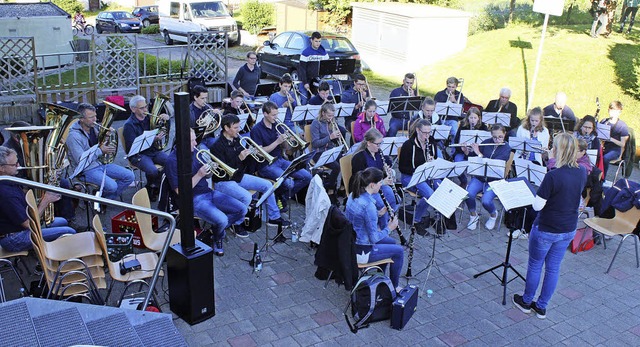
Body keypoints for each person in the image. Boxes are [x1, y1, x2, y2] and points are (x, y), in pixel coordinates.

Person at [513, 134, 587, 319]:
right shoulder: (582, 171)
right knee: (553, 268)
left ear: (558, 150)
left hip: (546, 228)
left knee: (535, 265)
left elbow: (538, 206)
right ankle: (542, 306)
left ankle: (527, 301)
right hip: (568, 228)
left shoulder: (553, 175)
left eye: (553, 147)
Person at [165, 129, 247, 256]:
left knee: (242, 209)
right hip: (192, 199)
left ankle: (215, 231)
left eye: (195, 139)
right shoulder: (172, 161)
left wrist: (210, 170)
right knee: (223, 219)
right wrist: (199, 174)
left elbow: (207, 177)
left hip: (208, 192)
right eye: (192, 140)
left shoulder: (195, 152)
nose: (196, 143)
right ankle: (217, 237)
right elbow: (180, 192)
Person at [209, 114, 290, 228]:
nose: (239, 130)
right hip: (224, 181)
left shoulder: (237, 139)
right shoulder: (216, 146)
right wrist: (239, 158)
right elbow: (223, 170)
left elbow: (244, 164)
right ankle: (238, 224)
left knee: (268, 185)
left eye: (238, 127)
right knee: (247, 197)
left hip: (238, 176)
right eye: (236, 127)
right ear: (226, 128)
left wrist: (251, 154)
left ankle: (274, 217)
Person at [0, 146, 76, 252]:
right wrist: (45, 201)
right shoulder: (6, 194)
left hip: (19, 230)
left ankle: (50, 257)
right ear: (1, 168)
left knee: (62, 221)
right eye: (14, 165)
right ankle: (57, 263)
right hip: (14, 238)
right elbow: (28, 224)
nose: (19, 166)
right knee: (69, 231)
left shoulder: (9, 181)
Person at [345, 167, 403, 291]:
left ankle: (379, 276)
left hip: (351, 242)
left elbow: (358, 217)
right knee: (399, 251)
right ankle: (394, 287)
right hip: (362, 250)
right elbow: (374, 238)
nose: (381, 185)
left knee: (392, 243)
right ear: (372, 185)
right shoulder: (368, 206)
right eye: (380, 183)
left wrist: (378, 214)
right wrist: (389, 227)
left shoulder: (353, 194)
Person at [66, 103, 134, 201]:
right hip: (86, 170)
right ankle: (102, 199)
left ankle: (103, 199)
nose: (95, 119)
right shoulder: (73, 137)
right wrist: (100, 150)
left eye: (95, 116)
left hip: (101, 163)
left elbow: (100, 144)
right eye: (91, 117)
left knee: (130, 176)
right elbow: (80, 160)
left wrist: (106, 137)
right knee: (113, 186)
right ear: (81, 119)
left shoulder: (94, 128)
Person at [251, 101, 312, 208]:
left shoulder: (277, 125)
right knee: (289, 184)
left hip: (280, 160)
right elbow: (261, 153)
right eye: (273, 115)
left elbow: (286, 149)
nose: (276, 117)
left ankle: (281, 195)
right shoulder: (256, 129)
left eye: (277, 114)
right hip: (266, 165)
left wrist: (287, 139)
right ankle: (281, 195)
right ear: (265, 114)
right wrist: (277, 142)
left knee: (307, 176)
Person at [465, 124, 512, 231]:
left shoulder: (506, 148)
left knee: (486, 200)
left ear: (504, 134)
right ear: (491, 135)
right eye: (494, 137)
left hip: (495, 181)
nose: (497, 140)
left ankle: (493, 214)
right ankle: (473, 215)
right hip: (480, 177)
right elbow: (474, 158)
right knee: (468, 194)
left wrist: (479, 153)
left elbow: (493, 163)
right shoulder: (486, 142)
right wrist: (467, 151)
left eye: (500, 137)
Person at [123, 95, 171, 196]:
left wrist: (167, 120)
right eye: (142, 108)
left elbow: (164, 129)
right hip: (138, 155)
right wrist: (152, 139)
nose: (145, 109)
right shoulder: (129, 125)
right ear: (133, 109)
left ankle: (157, 186)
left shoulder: (150, 118)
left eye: (146, 106)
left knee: (171, 162)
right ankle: (150, 187)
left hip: (153, 151)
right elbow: (131, 147)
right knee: (153, 170)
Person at [351, 128, 398, 230]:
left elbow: (386, 162)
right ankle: (383, 228)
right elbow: (362, 181)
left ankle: (388, 220)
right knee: (382, 204)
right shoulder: (359, 158)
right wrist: (382, 182)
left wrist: (386, 170)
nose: (379, 146)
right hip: (365, 188)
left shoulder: (378, 153)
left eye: (381, 143)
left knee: (393, 198)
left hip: (378, 185)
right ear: (368, 143)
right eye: (377, 144)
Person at [398, 119, 438, 232]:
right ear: (417, 130)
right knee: (429, 194)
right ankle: (416, 220)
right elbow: (402, 168)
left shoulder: (431, 141)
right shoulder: (408, 145)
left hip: (427, 175)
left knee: (441, 188)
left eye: (429, 132)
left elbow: (435, 160)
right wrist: (419, 170)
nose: (427, 135)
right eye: (424, 132)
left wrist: (433, 162)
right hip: (409, 177)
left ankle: (439, 217)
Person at [309, 103, 346, 194]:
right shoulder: (316, 123)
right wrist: (330, 137)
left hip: (330, 150)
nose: (331, 117)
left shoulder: (331, 122)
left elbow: (333, 141)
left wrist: (338, 137)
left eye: (333, 115)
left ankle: (342, 187)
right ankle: (331, 190)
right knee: (336, 167)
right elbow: (315, 143)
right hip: (318, 152)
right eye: (329, 115)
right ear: (323, 113)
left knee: (344, 161)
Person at [453, 107, 488, 187]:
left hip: (476, 152)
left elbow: (485, 144)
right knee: (457, 161)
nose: (473, 120)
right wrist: (462, 148)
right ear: (467, 117)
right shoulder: (463, 125)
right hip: (463, 151)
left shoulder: (483, 127)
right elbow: (456, 141)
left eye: (475, 118)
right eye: (471, 117)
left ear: (478, 118)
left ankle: (474, 183)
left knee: (477, 163)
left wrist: (476, 149)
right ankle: (463, 180)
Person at [600, 100, 630, 176]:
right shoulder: (604, 121)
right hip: (604, 147)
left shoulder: (622, 126)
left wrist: (610, 139)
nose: (611, 112)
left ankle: (602, 178)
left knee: (605, 158)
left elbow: (622, 144)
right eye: (610, 110)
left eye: (614, 111)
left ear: (619, 112)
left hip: (615, 150)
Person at [298, 31, 329, 99]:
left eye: (319, 41)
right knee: (304, 99)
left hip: (318, 80)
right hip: (306, 79)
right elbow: (302, 69)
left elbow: (326, 67)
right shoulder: (305, 53)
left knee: (317, 99)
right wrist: (305, 82)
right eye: (316, 41)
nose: (318, 43)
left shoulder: (324, 52)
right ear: (311, 40)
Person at [387, 73, 417, 137]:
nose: (409, 85)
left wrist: (413, 97)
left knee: (418, 128)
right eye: (407, 82)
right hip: (397, 119)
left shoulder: (414, 92)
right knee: (392, 128)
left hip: (409, 120)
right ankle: (389, 145)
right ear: (403, 81)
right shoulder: (395, 92)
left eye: (411, 83)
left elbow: (418, 109)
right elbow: (390, 107)